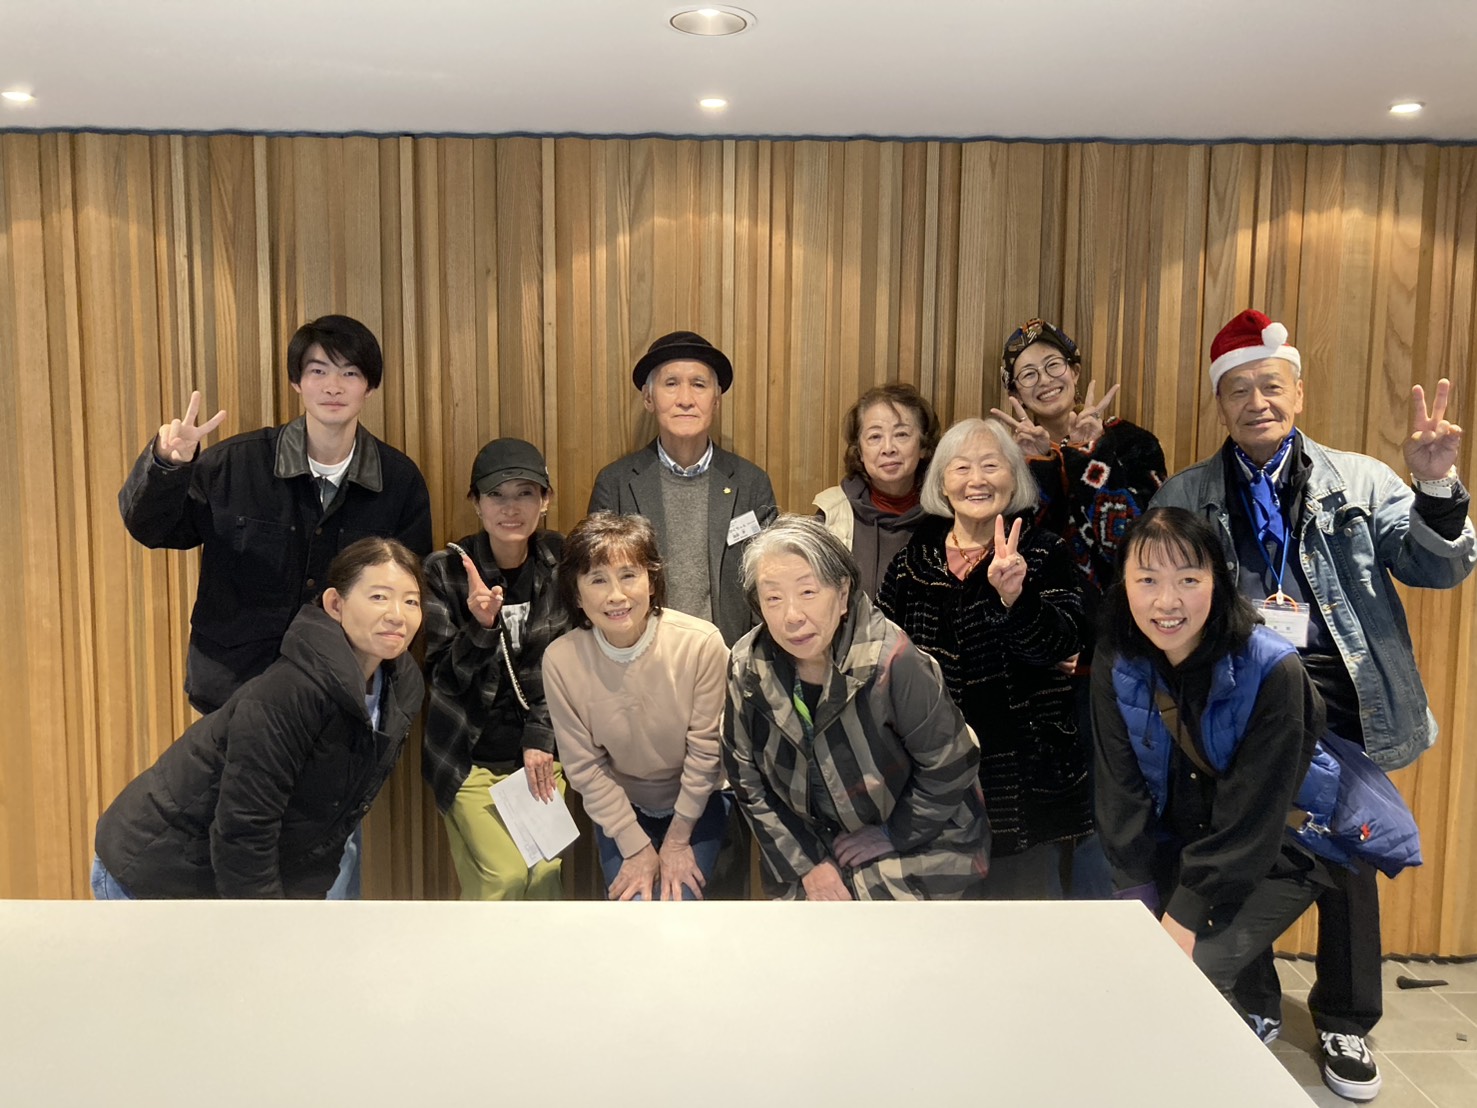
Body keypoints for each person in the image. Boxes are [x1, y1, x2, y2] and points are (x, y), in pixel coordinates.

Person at [1153, 308, 1474, 1101]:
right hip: (1239, 697)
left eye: (1270, 385)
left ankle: (1345, 1017)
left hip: (1343, 693)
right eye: (1237, 390)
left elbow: (1436, 568)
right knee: (1242, 838)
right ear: (1218, 404)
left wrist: (1436, 490)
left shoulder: (1358, 480)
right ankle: (1254, 997)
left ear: (1296, 391)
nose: (1255, 402)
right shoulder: (1187, 493)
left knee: (1346, 850)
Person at [118, 315, 433, 898]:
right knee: (233, 828)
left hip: (337, 707)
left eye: (350, 372)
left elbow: (408, 589)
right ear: (296, 382)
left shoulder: (398, 481)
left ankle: (307, 949)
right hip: (234, 686)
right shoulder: (235, 464)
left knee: (325, 837)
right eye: (318, 371)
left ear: (369, 386)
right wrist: (167, 463)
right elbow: (155, 528)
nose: (333, 385)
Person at [1092, 508, 1330, 1040]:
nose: (1166, 601)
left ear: (1217, 582)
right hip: (1178, 846)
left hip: (1271, 851)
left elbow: (1253, 815)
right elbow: (1118, 786)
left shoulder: (1272, 669)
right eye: (1147, 580)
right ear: (1123, 585)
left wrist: (1184, 914)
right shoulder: (1117, 656)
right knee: (1130, 973)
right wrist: (1137, 897)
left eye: (1188, 579)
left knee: (1184, 980)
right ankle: (1243, 1010)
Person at [91, 538, 426, 899]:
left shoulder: (401, 689)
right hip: (155, 869)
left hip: (229, 872)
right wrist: (266, 922)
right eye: (379, 597)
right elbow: (245, 829)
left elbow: (337, 818)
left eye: (411, 601)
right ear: (335, 604)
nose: (397, 614)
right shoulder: (287, 692)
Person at [990, 318, 1167, 898]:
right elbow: (1019, 550)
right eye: (1027, 375)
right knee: (1041, 809)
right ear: (1013, 391)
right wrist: (1039, 465)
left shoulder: (1132, 444)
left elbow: (1129, 547)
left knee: (1109, 805)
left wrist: (1090, 458)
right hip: (1038, 660)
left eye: (1054, 366)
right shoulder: (1008, 454)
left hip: (1117, 657)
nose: (1044, 381)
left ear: (1075, 369)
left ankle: (1111, 926)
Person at [724, 515, 989, 900]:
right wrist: (807, 863)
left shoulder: (892, 660)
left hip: (922, 840)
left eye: (808, 592)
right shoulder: (747, 665)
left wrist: (892, 833)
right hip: (812, 844)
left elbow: (951, 762)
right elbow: (744, 774)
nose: (792, 616)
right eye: (773, 598)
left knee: (866, 915)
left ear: (843, 592)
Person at [878, 417, 1090, 898]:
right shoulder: (913, 562)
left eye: (991, 466)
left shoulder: (1044, 552)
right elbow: (880, 658)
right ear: (941, 484)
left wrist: (1015, 599)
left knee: (1025, 925)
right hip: (931, 781)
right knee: (942, 930)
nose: (977, 479)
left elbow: (1062, 646)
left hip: (1025, 781)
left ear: (1014, 479)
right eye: (962, 468)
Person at [542, 512, 731, 901]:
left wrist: (676, 841)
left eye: (629, 575)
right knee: (634, 906)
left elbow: (707, 753)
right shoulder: (561, 660)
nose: (616, 595)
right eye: (598, 580)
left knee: (679, 904)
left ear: (652, 581)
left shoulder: (701, 644)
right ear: (576, 594)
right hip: (622, 804)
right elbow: (585, 768)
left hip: (701, 799)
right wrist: (635, 846)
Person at [422, 438, 569, 901]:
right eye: (496, 495)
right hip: (467, 756)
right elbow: (443, 680)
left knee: (544, 878)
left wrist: (540, 737)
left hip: (540, 757)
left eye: (525, 493)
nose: (511, 508)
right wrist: (481, 628)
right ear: (476, 503)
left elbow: (570, 667)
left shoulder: (560, 563)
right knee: (502, 880)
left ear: (545, 500)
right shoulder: (445, 571)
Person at [588, 330, 777, 647]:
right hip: (641, 656)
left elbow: (770, 578)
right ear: (649, 398)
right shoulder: (615, 483)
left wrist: (752, 657)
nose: (686, 399)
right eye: (671, 384)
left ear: (716, 399)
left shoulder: (751, 483)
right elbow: (597, 581)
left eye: (699, 385)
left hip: (729, 656)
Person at [812, 382, 942, 598]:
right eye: (875, 437)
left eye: (901, 434)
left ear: (923, 446)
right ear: (859, 452)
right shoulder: (832, 514)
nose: (888, 448)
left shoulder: (946, 514)